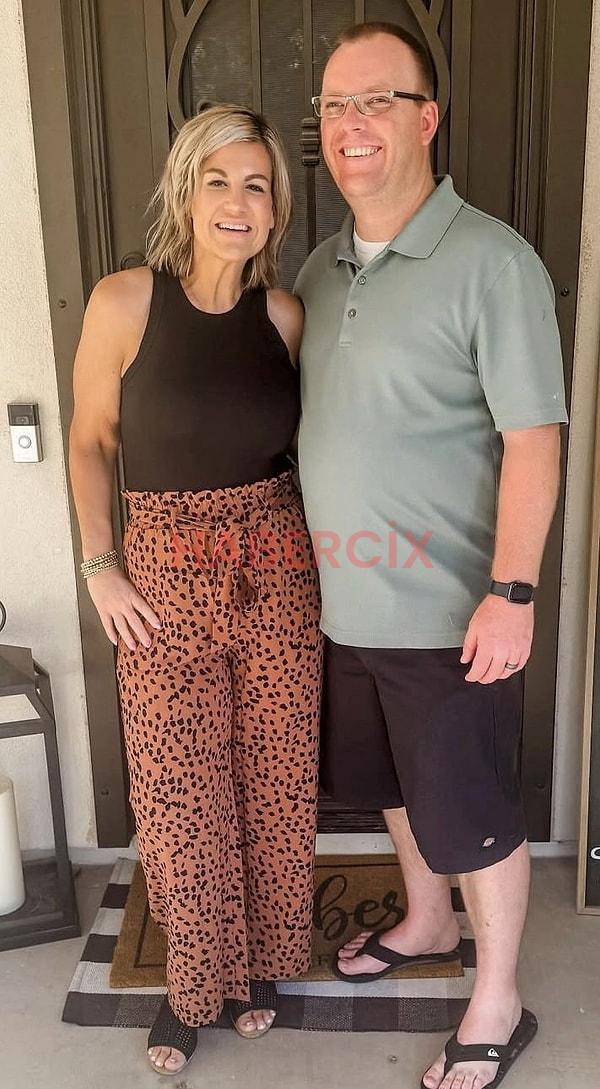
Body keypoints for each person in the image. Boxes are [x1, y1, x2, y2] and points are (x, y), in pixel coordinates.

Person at [294, 21, 567, 1089]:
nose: (351, 123)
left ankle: (498, 998)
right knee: (397, 788)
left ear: (426, 119)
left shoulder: (493, 261)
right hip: (345, 604)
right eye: (334, 105)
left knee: (475, 815)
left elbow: (534, 439)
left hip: (454, 612)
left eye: (377, 100)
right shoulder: (318, 269)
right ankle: (425, 921)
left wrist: (513, 592)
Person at [69, 103, 322, 1076]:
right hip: (163, 572)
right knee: (179, 789)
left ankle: (257, 966)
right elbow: (91, 444)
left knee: (273, 777)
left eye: (256, 185)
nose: (237, 201)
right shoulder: (125, 301)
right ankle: (192, 982)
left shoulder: (285, 318)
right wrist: (101, 566)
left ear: (276, 208)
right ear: (186, 191)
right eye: (218, 180)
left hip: (276, 564)